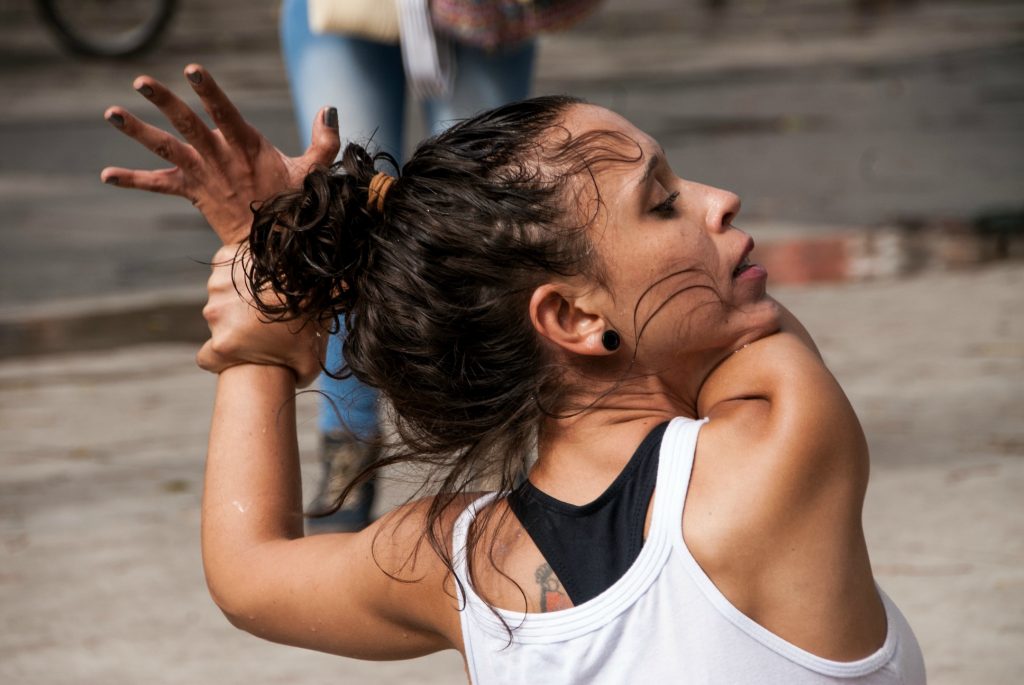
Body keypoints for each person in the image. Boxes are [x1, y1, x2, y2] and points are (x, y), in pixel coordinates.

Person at [100, 65, 926, 683]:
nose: (722, 200)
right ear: (571, 318)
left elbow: (249, 574)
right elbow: (733, 317)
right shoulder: (775, 444)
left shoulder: (455, 562)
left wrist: (269, 292)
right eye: (664, 201)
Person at [279, 0, 538, 532]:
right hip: (338, 10)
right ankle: (348, 443)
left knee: (481, 221)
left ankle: (494, 447)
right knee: (342, 212)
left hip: (481, 11)